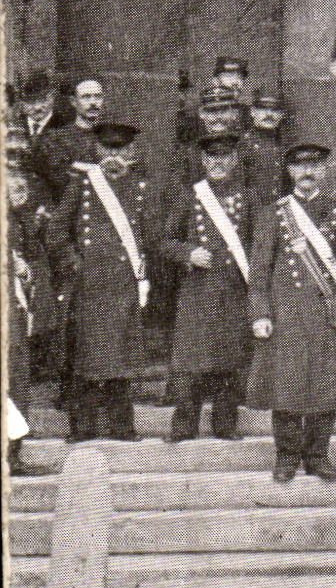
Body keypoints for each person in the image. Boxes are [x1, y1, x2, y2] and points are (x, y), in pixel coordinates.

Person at [245, 143, 336, 482]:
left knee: (325, 386)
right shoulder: (273, 214)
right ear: (290, 171)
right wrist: (260, 313)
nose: (307, 173)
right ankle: (286, 455)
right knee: (287, 386)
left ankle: (317, 455)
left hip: (327, 310)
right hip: (287, 312)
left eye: (315, 166)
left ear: (324, 171)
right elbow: (259, 271)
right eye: (299, 167)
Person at [47, 122, 152, 443]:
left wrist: (144, 269)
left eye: (120, 149)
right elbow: (55, 232)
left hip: (124, 283)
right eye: (107, 149)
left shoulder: (140, 187)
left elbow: (151, 234)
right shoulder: (81, 185)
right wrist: (74, 262)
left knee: (120, 357)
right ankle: (82, 428)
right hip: (89, 285)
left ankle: (123, 427)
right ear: (96, 150)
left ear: (131, 152)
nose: (113, 155)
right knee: (87, 357)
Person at [158, 134, 254, 442]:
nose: (218, 163)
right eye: (212, 157)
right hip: (198, 291)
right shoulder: (190, 196)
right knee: (191, 361)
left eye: (225, 156)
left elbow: (259, 245)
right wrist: (188, 253)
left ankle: (225, 424)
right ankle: (184, 426)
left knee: (230, 360)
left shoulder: (249, 198)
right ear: (203, 161)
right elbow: (164, 241)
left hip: (234, 290)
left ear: (235, 160)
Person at [7, 168, 54, 476]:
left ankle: (13, 454)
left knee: (17, 379)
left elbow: (31, 256)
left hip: (14, 306)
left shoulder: (17, 219)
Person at [36, 76, 105, 203]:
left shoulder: (111, 137)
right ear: (73, 101)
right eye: (86, 97)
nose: (93, 103)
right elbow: (57, 180)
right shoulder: (55, 139)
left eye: (97, 97)